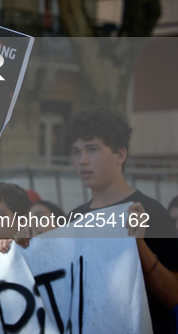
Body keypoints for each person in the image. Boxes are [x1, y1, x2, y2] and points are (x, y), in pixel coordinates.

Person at [18, 108, 178, 333]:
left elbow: (172, 296)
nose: (82, 160)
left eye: (92, 149)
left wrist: (139, 246)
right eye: (76, 151)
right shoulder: (75, 218)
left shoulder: (151, 211)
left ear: (120, 155)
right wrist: (25, 248)